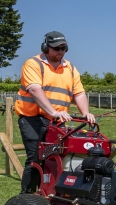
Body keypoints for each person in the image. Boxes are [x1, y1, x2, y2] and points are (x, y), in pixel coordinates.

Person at [14, 31, 96, 193]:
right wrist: (53, 112)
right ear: (45, 47)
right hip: (33, 119)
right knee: (36, 158)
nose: (60, 52)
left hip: (57, 121)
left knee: (58, 158)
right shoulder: (34, 64)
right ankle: (27, 197)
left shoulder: (70, 69)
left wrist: (86, 113)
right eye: (56, 48)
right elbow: (35, 89)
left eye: (63, 48)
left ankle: (52, 194)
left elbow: (78, 93)